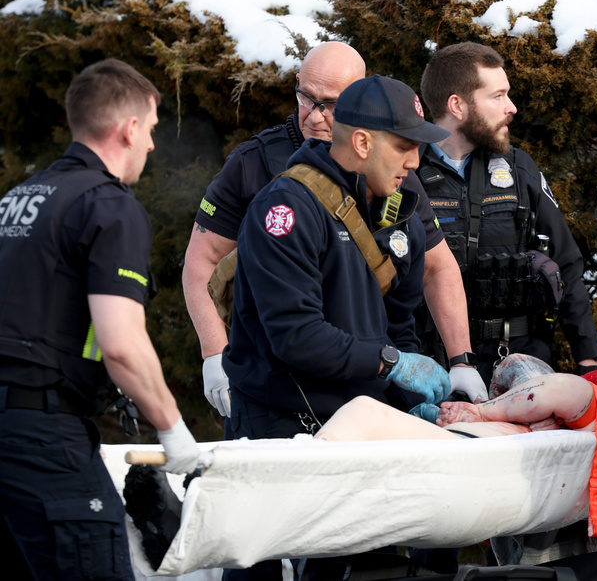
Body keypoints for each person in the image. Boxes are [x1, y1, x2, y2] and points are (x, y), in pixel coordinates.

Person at [183, 42, 487, 416]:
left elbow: (431, 273)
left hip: (359, 400)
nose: (314, 116)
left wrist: (457, 363)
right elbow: (204, 263)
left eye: (331, 104)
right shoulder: (258, 169)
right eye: (306, 97)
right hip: (287, 402)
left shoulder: (395, 179)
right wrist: (214, 352)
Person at [0, 59, 200, 580]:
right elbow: (120, 343)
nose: (153, 146)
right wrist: (173, 431)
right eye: (152, 130)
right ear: (129, 128)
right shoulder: (108, 206)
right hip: (44, 438)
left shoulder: (17, 201)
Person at [418, 42, 597, 384]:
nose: (512, 107)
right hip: (433, 369)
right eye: (498, 96)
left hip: (519, 364)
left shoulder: (519, 168)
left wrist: (588, 359)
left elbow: (566, 263)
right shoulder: (407, 173)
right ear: (457, 105)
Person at [316, 372, 597, 441]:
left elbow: (557, 392)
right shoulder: (591, 392)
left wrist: (483, 412)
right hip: (469, 439)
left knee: (362, 413)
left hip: (467, 446)